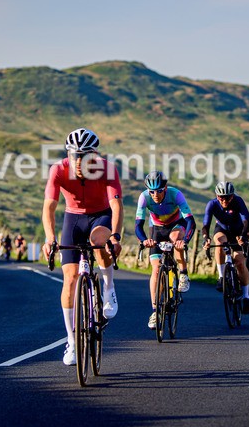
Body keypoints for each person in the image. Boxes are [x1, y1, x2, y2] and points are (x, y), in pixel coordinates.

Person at [41, 128, 123, 366]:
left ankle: (108, 287)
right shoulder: (58, 170)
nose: (78, 161)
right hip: (73, 219)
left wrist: (115, 237)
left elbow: (116, 207)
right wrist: (49, 239)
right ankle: (72, 340)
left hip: (101, 216)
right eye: (74, 155)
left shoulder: (107, 169)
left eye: (84, 156)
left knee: (99, 242)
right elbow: (49, 208)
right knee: (70, 278)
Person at [135, 170, 195, 330]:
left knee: (176, 240)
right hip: (157, 229)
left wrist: (186, 241)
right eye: (152, 191)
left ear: (165, 188)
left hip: (177, 224)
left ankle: (183, 274)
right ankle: (155, 311)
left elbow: (190, 221)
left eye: (159, 191)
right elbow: (138, 225)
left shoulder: (176, 195)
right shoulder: (144, 197)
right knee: (155, 269)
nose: (155, 194)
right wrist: (144, 240)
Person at [201, 181, 249, 314]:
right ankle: (221, 277)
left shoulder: (238, 201)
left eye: (228, 197)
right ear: (217, 196)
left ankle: (246, 296)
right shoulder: (212, 204)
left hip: (237, 232)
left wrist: (243, 237)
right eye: (221, 197)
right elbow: (206, 225)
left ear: (232, 196)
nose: (224, 200)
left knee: (240, 262)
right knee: (219, 243)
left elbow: (246, 221)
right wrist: (206, 238)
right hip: (222, 230)